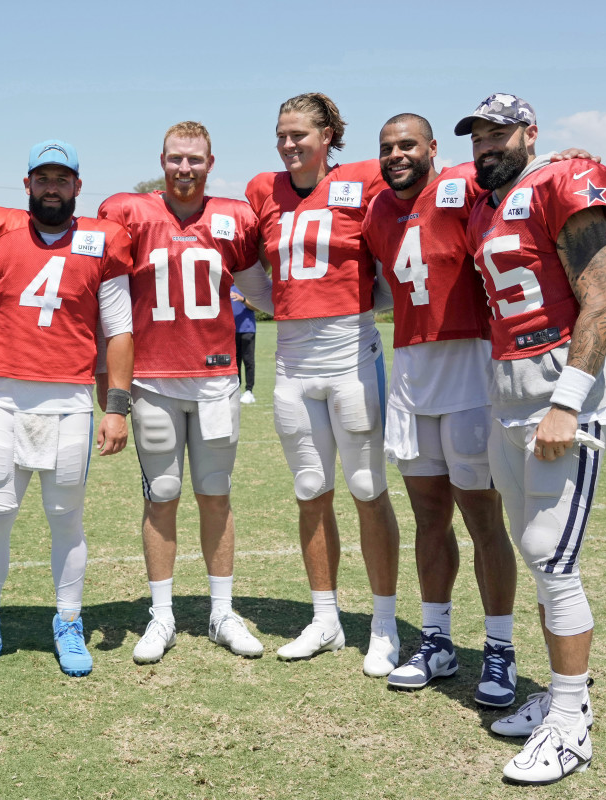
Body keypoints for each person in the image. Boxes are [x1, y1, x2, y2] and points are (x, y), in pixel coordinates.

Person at [456, 93, 606, 785]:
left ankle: (571, 723)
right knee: (532, 552)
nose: (487, 146)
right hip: (508, 396)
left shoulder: (564, 180)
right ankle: (555, 697)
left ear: (530, 133)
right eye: (479, 136)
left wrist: (567, 405)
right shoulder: (484, 202)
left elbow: (601, 300)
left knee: (554, 563)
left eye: (500, 133)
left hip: (558, 400)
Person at [0, 139, 134, 678]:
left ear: (78, 186)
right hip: (5, 397)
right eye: (42, 178)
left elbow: (118, 329)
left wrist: (115, 406)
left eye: (62, 178)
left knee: (65, 519)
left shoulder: (103, 243)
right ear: (26, 184)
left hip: (71, 400)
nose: (52, 187)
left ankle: (69, 621)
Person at [98, 122, 272, 664]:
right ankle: (162, 614)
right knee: (163, 493)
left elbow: (261, 288)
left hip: (217, 378)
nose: (185, 168)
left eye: (194, 159)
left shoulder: (234, 217)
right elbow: (108, 297)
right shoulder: (130, 213)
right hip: (153, 380)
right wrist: (111, 392)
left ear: (210, 162)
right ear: (162, 160)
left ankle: (221, 611)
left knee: (215, 493)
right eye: (176, 159)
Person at [361, 114, 519, 705]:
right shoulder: (377, 210)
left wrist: (558, 158)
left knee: (483, 519)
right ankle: (437, 640)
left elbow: (518, 180)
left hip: (471, 367)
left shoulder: (465, 184)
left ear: (431, 148)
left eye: (408, 145)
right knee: (429, 517)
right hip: (411, 369)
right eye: (387, 147)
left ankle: (499, 649)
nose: (396, 155)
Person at [245, 93, 401, 676]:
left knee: (366, 485)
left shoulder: (364, 178)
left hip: (350, 351)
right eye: (281, 134)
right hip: (291, 358)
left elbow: (435, 187)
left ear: (329, 134)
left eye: (299, 134)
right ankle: (326, 617)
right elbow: (255, 278)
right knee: (311, 486)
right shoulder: (263, 189)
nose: (288, 144)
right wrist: (286, 310)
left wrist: (543, 159)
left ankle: (383, 624)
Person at [231, 289, 257, 405]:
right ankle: (236, 390)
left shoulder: (246, 286)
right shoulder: (226, 285)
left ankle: (249, 391)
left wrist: (243, 299)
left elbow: (257, 307)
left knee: (248, 361)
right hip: (231, 331)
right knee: (234, 362)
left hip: (247, 330)